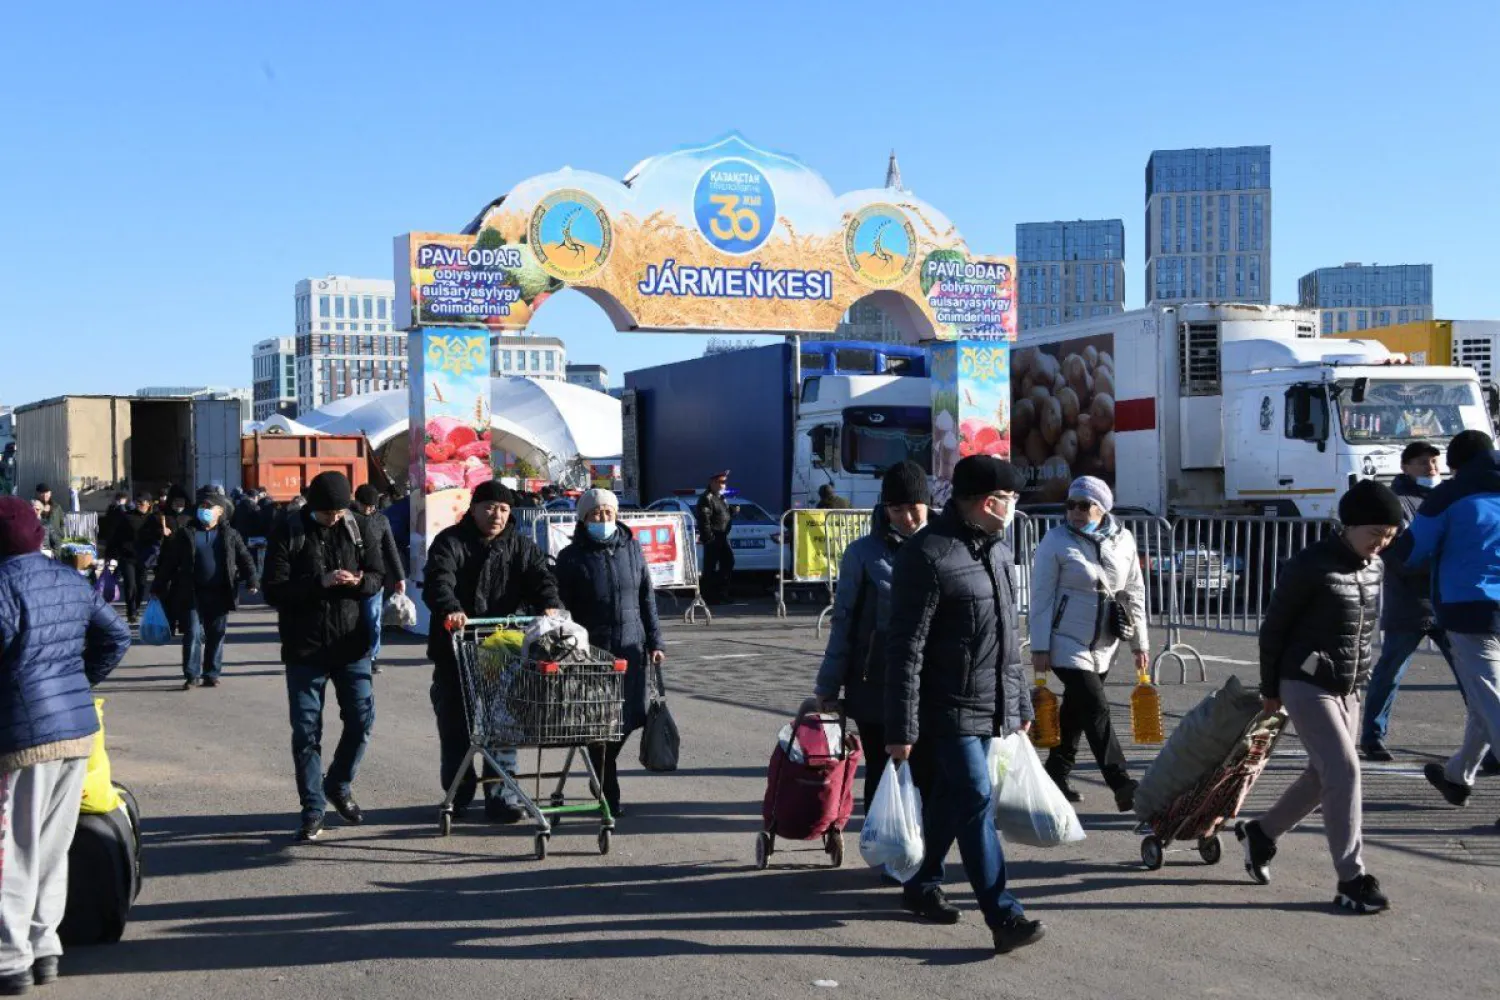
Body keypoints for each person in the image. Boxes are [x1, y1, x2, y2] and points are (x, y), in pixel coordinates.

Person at [884, 455, 1045, 955]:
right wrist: (901, 727)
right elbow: (905, 649)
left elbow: (1007, 634)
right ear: (989, 502)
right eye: (1012, 499)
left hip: (988, 701)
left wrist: (1018, 704)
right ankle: (1004, 916)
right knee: (975, 797)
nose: (1016, 506)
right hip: (944, 705)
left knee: (956, 799)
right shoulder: (927, 555)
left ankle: (921, 880)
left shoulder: (996, 551)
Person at [1234, 479, 1402, 914]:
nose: (1381, 544)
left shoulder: (1374, 567)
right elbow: (1274, 628)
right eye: (1375, 534)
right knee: (1344, 770)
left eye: (1390, 536)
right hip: (1303, 681)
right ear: (1348, 526)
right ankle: (1352, 879)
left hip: (1348, 685)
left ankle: (1262, 833)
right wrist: (1271, 688)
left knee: (1322, 774)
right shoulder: (1309, 565)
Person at [0, 496, 130, 992]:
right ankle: (44, 947)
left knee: (12, 850)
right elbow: (116, 636)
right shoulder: (67, 579)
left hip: (19, 736)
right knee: (53, 849)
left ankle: (9, 959)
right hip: (76, 732)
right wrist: (78, 683)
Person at [423, 480, 560, 823]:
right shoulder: (450, 542)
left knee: (502, 726)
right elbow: (439, 580)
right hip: (457, 650)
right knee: (457, 726)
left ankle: (501, 798)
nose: (496, 515)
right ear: (473, 508)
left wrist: (550, 604)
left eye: (503, 509)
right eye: (488, 507)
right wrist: (451, 608)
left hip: (503, 650)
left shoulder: (521, 545)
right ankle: (459, 792)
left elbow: (541, 578)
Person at [263, 472, 383, 843]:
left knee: (361, 721)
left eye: (339, 510)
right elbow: (273, 590)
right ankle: (313, 808)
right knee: (306, 731)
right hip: (305, 648)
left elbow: (379, 575)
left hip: (351, 645)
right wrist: (320, 583)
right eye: (326, 512)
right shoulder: (288, 530)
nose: (334, 518)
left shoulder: (358, 527)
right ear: (312, 506)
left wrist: (358, 583)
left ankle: (338, 784)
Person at [1394, 430, 1500, 824]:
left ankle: (1460, 777)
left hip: (1469, 607)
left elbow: (1412, 550)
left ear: (1455, 465)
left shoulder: (1450, 495)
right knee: (1483, 699)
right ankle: (1457, 776)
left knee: (1490, 699)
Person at [812, 461, 930, 814]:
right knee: (883, 769)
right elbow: (844, 622)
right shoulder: (863, 553)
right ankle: (884, 843)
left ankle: (920, 847)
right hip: (875, 680)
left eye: (914, 508)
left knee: (926, 770)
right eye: (897, 509)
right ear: (884, 508)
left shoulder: (944, 545)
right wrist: (828, 685)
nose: (907, 518)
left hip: (931, 680)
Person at [1029, 476, 1147, 812]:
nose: (1075, 512)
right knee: (1095, 707)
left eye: (1084, 505)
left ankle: (1054, 775)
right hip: (1065, 641)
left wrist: (1140, 642)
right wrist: (1039, 646)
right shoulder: (1055, 540)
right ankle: (1121, 782)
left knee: (1076, 713)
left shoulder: (1124, 540)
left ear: (1102, 508)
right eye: (1070, 505)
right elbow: (1041, 597)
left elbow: (1134, 592)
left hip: (1106, 643)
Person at [554, 488, 665, 817]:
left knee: (630, 719)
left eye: (608, 513)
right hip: (593, 653)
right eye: (595, 514)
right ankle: (607, 791)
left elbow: (647, 597)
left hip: (632, 649)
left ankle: (603, 772)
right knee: (600, 723)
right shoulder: (571, 557)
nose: (603, 519)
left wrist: (656, 641)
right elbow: (562, 607)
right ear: (583, 518)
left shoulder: (631, 548)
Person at [1358, 442, 1464, 760]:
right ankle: (1373, 736)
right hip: (1410, 602)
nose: (1431, 467)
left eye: (1434, 461)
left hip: (1447, 601)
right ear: (1405, 467)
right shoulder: (1396, 502)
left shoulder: (1449, 496)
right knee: (1390, 671)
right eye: (1421, 462)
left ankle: (1488, 738)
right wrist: (1437, 562)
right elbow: (1395, 553)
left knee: (1472, 676)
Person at [151, 487, 259, 690]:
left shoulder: (230, 534)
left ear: (221, 511)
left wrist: (252, 580)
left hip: (220, 592)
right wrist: (158, 585)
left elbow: (245, 558)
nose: (205, 510)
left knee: (216, 634)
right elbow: (169, 562)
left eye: (210, 507)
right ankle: (192, 675)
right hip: (192, 592)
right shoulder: (186, 534)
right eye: (202, 506)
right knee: (192, 633)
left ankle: (211, 673)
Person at [350, 484, 406, 676]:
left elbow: (391, 549)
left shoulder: (381, 520)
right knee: (351, 620)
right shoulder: (346, 519)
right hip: (349, 577)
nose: (368, 510)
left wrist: (400, 577)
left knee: (373, 619)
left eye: (372, 507)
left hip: (375, 577)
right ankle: (349, 655)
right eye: (365, 506)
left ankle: (372, 657)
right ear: (356, 501)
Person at [106, 493, 156, 624]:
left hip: (145, 558)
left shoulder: (153, 519)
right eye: (138, 502)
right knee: (130, 585)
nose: (139, 504)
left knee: (141, 585)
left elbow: (158, 538)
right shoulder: (127, 517)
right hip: (127, 557)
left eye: (143, 502)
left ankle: (137, 606)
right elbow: (116, 536)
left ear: (149, 504)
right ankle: (131, 612)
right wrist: (111, 554)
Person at [695, 471, 735, 605]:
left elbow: (722, 514)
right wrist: (709, 537)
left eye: (725, 482)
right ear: (713, 483)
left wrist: (732, 512)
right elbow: (704, 519)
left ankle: (722, 593)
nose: (724, 485)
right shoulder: (707, 498)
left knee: (728, 562)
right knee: (710, 567)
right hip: (714, 536)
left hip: (723, 536)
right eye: (721, 482)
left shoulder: (720, 497)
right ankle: (709, 596)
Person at [232, 488, 269, 583]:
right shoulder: (255, 508)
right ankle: (255, 579)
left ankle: (243, 575)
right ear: (256, 497)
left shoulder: (239, 506)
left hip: (241, 536)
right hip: (254, 537)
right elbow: (260, 523)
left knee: (242, 557)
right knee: (255, 559)